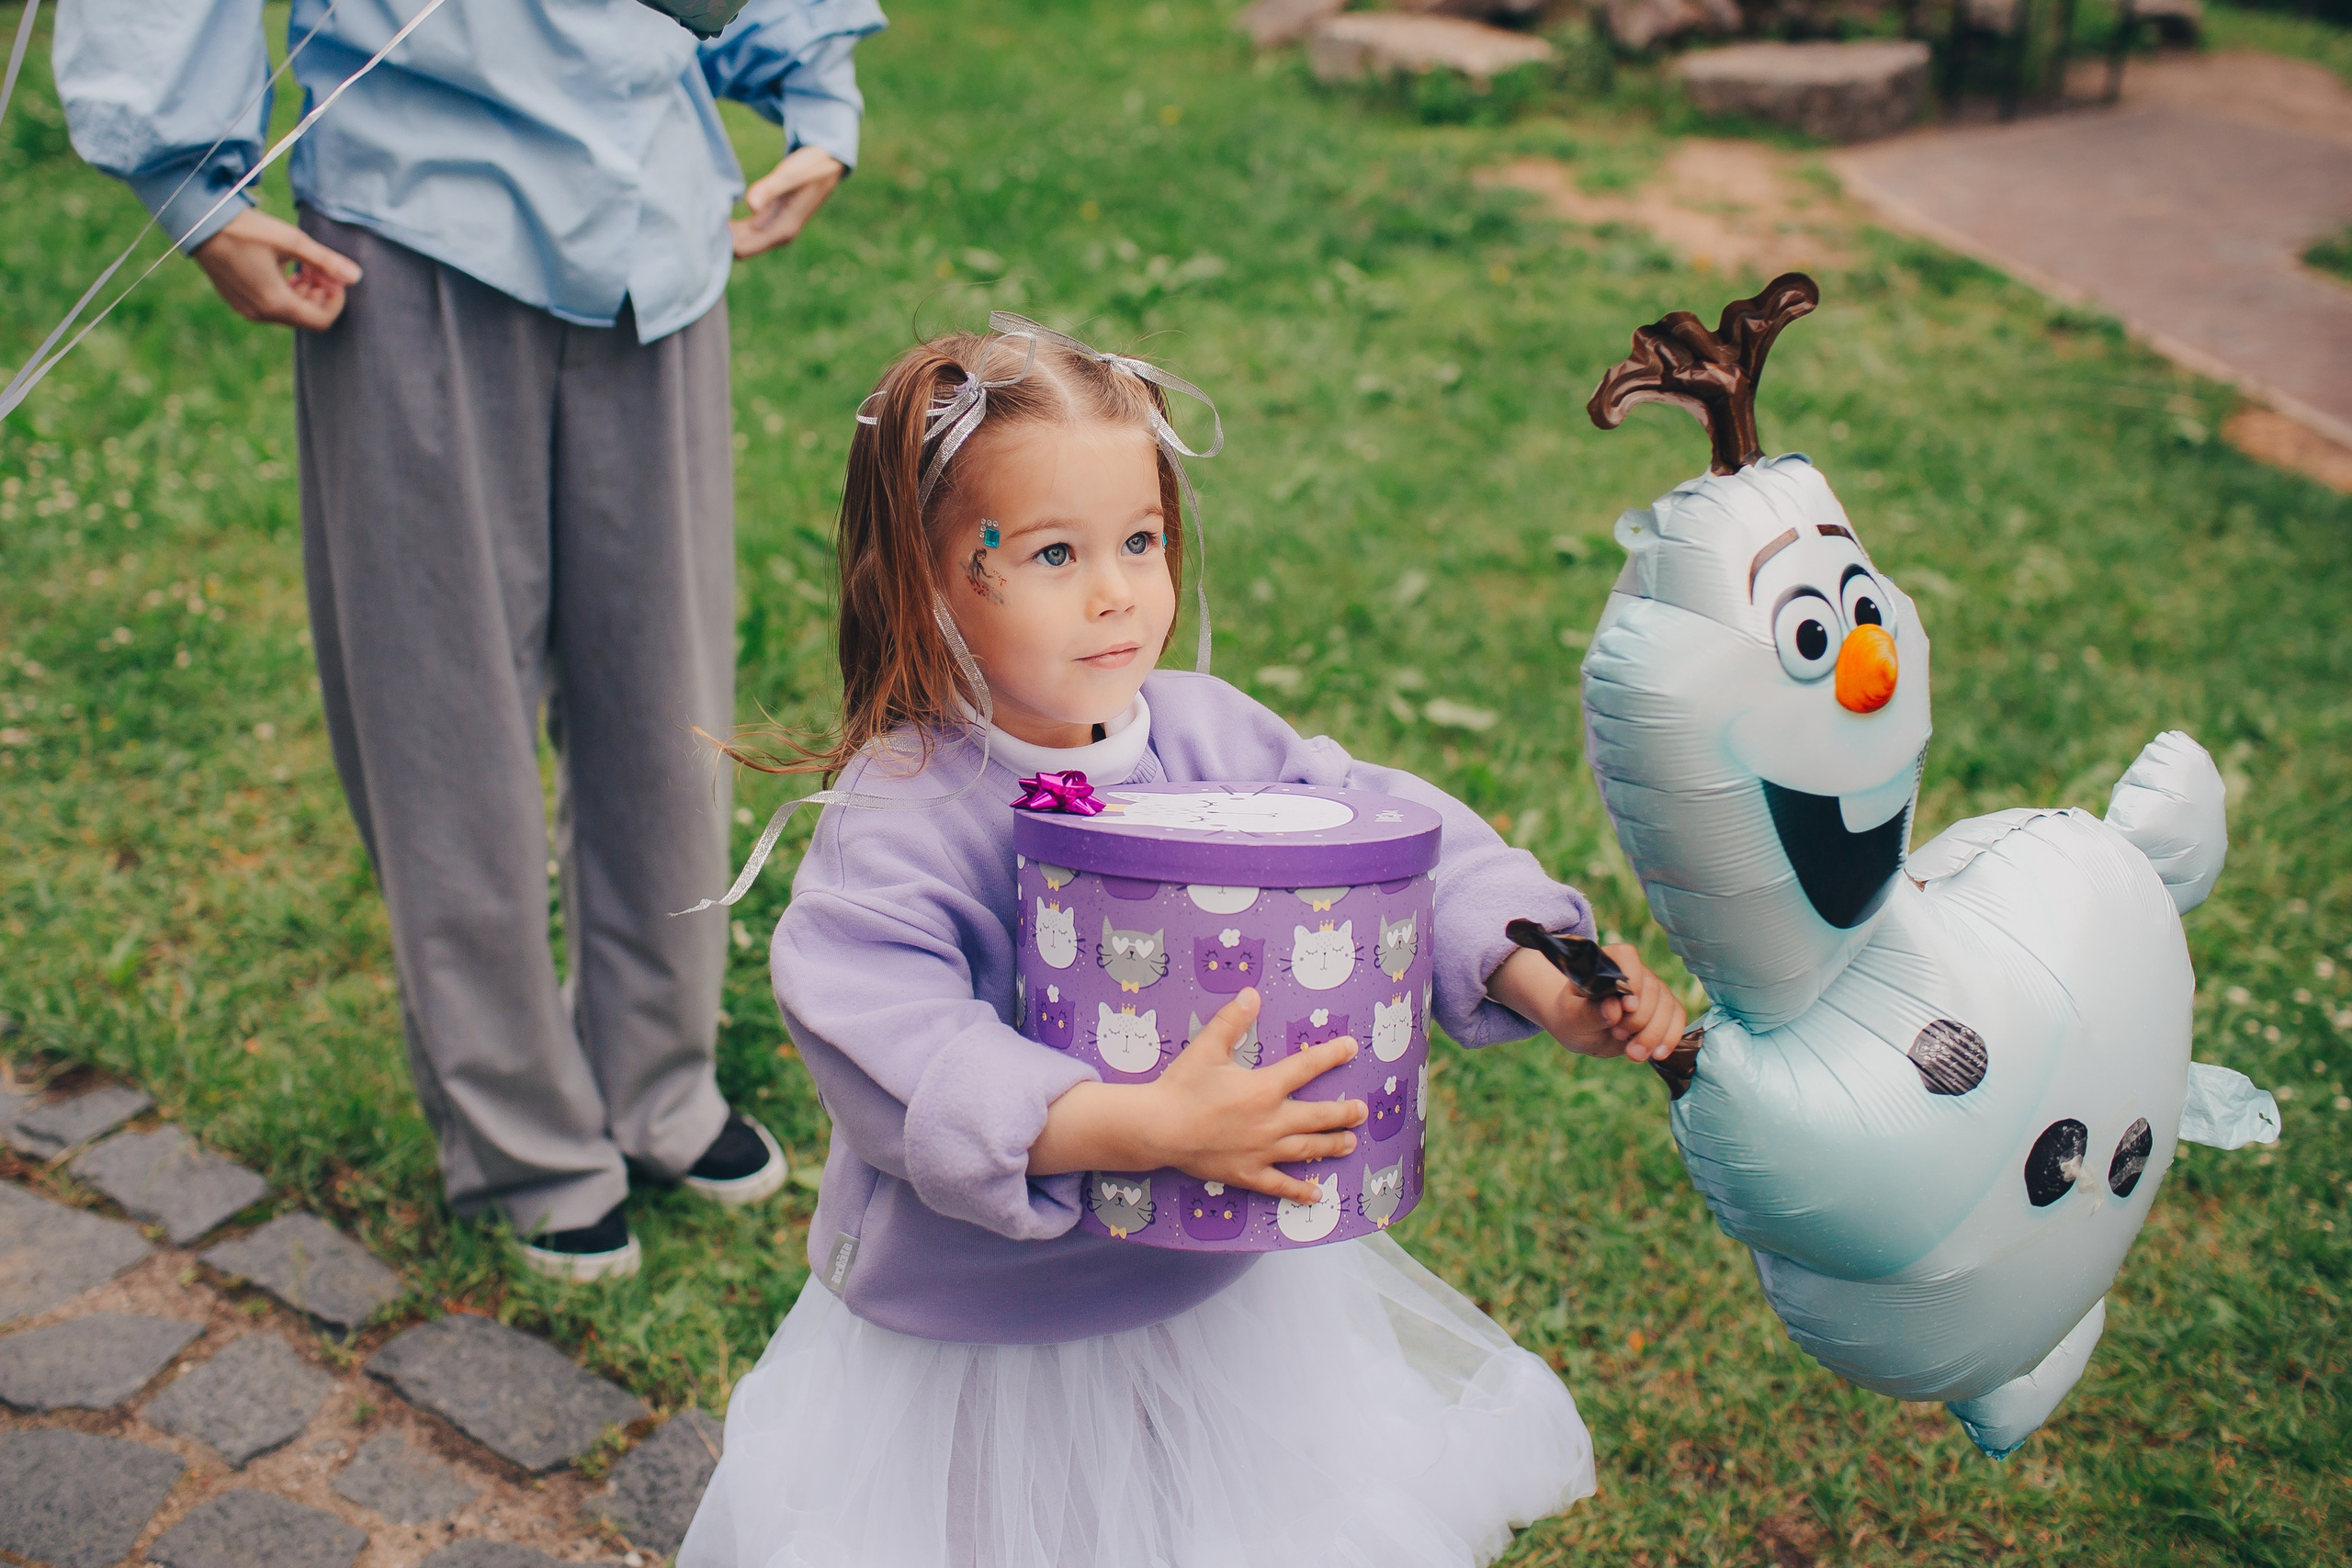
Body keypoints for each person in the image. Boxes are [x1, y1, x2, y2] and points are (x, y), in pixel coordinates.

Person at [677, 321, 1690, 1566]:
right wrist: (1137, 1128)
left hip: (1203, 1300)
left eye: (1141, 542)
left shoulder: (1210, 744)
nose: (1117, 592)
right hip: (977, 1339)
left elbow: (1394, 843)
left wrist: (1536, 971)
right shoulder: (907, 815)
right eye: (1054, 552)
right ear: (930, 579)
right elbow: (899, 1048)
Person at [51, 0, 888, 1280]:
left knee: (664, 686)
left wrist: (814, 90)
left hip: (650, 224)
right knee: (442, 702)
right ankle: (521, 1139)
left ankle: (655, 1078)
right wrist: (191, 190)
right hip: (412, 224)